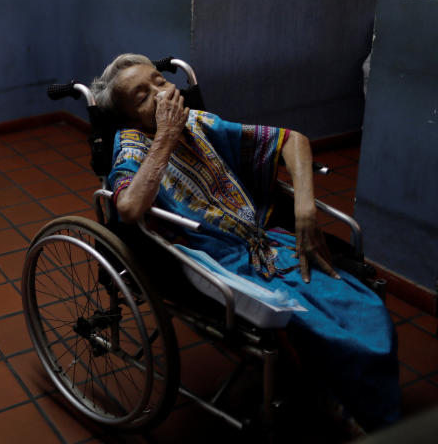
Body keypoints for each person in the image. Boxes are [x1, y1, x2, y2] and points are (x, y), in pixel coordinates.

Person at [91, 53, 400, 433]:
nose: (161, 92)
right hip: (217, 263)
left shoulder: (201, 124)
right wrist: (166, 138)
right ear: (128, 118)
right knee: (334, 328)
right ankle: (359, 412)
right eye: (142, 96)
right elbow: (129, 207)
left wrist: (305, 209)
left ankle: (353, 403)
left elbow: (292, 140)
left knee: (364, 309)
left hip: (268, 240)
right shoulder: (132, 149)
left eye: (159, 80)